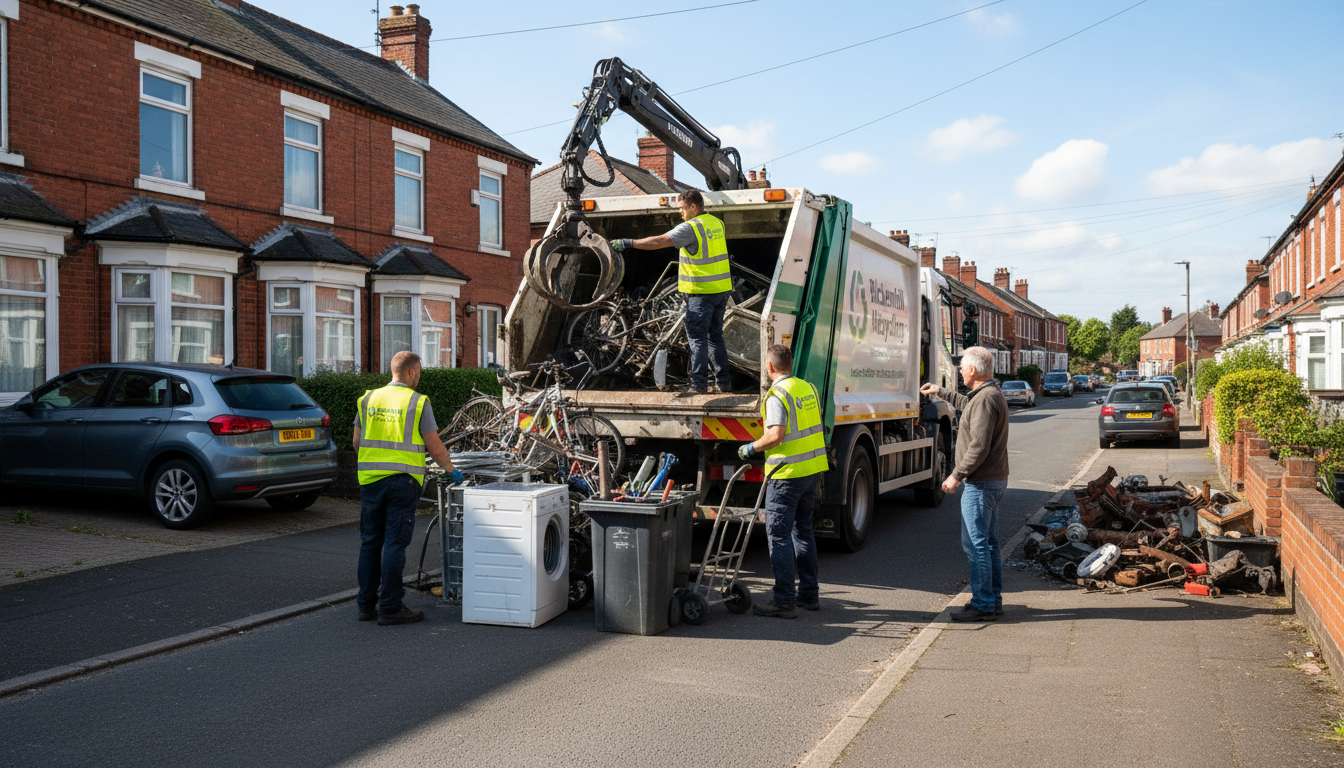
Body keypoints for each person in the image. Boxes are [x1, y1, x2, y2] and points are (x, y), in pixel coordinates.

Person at [352, 351, 464, 626]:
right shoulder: (417, 402)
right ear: (411, 372)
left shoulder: (368, 399)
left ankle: (366, 605)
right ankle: (390, 607)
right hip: (403, 483)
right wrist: (452, 470)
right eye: (420, 373)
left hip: (370, 481)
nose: (419, 378)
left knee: (370, 543)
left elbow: (356, 442)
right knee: (394, 544)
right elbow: (434, 446)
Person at [918, 346, 1010, 622]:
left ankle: (983, 603)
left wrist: (956, 475)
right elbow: (966, 405)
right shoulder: (988, 394)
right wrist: (940, 391)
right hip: (993, 480)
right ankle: (992, 600)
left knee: (976, 545)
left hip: (981, 484)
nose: (959, 370)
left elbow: (979, 446)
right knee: (989, 544)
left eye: (961, 367)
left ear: (973, 370)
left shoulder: (985, 399)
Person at [609, 188, 732, 395]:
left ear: (694, 207)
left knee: (697, 339)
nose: (680, 213)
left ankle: (698, 385)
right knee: (715, 337)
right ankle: (724, 382)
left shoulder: (691, 227)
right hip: (721, 290)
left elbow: (660, 241)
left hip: (700, 292)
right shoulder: (716, 223)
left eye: (682, 208)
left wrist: (627, 243)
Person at [737, 344, 827, 618]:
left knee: (778, 535)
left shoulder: (777, 394)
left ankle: (784, 600)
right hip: (811, 471)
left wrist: (750, 449)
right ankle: (809, 595)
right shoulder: (807, 388)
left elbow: (776, 435)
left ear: (770, 367)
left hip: (786, 475)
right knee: (803, 532)